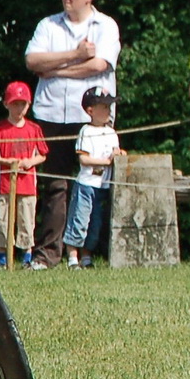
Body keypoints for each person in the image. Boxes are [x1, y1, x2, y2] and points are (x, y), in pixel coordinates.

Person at [24, 0, 120, 271]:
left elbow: (99, 65)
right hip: (51, 113)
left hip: (91, 121)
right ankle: (48, 253)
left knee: (91, 188)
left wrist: (55, 70)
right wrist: (75, 53)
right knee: (54, 185)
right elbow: (32, 60)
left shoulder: (105, 26)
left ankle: (82, 253)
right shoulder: (48, 26)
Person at [0, 81, 48, 268]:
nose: (19, 108)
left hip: (27, 185)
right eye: (15, 103)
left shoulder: (33, 129)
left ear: (28, 105)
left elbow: (42, 154)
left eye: (23, 104)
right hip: (3, 184)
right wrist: (6, 162)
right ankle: (2, 259)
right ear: (6, 104)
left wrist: (29, 162)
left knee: (26, 221)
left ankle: (26, 258)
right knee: (2, 221)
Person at [65, 88, 121, 269]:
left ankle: (87, 257)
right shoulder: (86, 131)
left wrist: (119, 155)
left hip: (103, 186)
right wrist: (106, 162)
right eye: (103, 106)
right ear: (90, 111)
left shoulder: (111, 133)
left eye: (109, 106)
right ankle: (73, 257)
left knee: (95, 224)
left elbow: (115, 153)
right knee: (79, 220)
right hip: (86, 184)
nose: (108, 111)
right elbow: (84, 159)